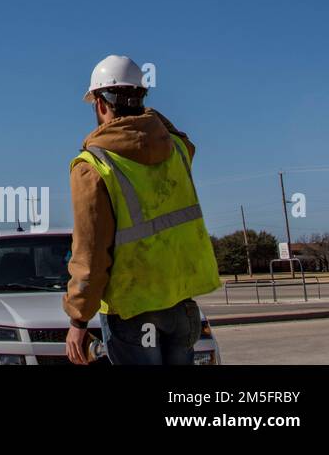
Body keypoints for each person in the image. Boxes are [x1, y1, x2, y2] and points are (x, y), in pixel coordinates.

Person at [65, 55, 221, 365]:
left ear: (99, 104)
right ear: (142, 100)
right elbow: (176, 134)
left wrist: (78, 320)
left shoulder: (93, 167)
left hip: (132, 311)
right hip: (181, 305)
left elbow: (90, 254)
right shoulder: (176, 150)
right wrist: (141, 109)